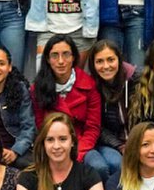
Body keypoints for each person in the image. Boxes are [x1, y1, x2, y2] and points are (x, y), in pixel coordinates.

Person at [31, 34, 104, 176]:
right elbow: (41, 125)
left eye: (66, 55)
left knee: (99, 166)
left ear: (74, 57)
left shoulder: (89, 85)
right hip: (53, 145)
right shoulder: (38, 88)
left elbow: (93, 127)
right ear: (47, 59)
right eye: (54, 55)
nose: (61, 61)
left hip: (82, 145)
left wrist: (78, 152)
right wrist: (55, 146)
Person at [84, 39, 135, 181]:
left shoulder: (136, 80)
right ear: (93, 65)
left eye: (111, 60)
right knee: (115, 163)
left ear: (119, 59)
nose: (106, 66)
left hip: (136, 140)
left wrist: (135, 143)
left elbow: (145, 118)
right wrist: (119, 146)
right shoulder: (91, 86)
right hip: (109, 142)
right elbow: (97, 126)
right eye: (99, 61)